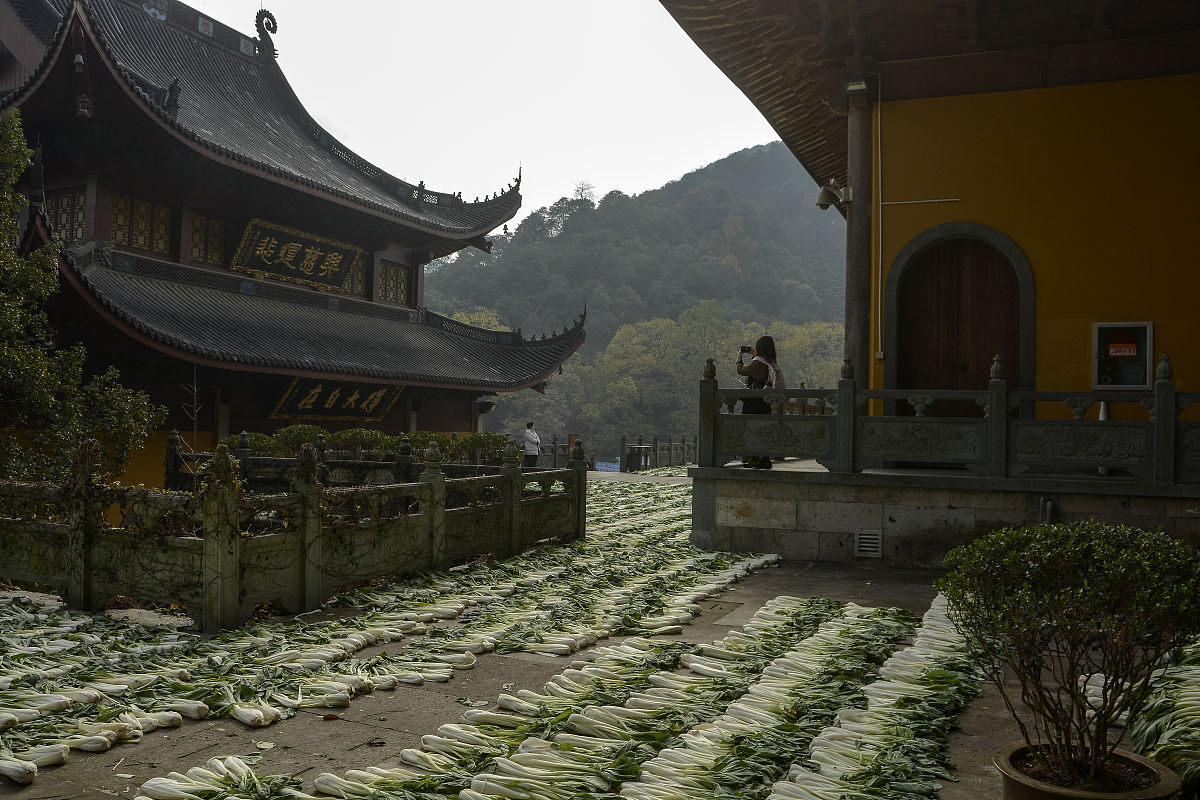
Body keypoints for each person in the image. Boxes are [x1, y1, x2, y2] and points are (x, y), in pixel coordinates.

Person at [735, 335, 785, 469]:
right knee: (764, 429)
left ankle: (754, 458)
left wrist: (739, 358)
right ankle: (764, 459)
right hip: (767, 402)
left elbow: (742, 371)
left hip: (754, 402)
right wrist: (754, 355)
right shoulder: (772, 362)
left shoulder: (758, 362)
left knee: (752, 428)